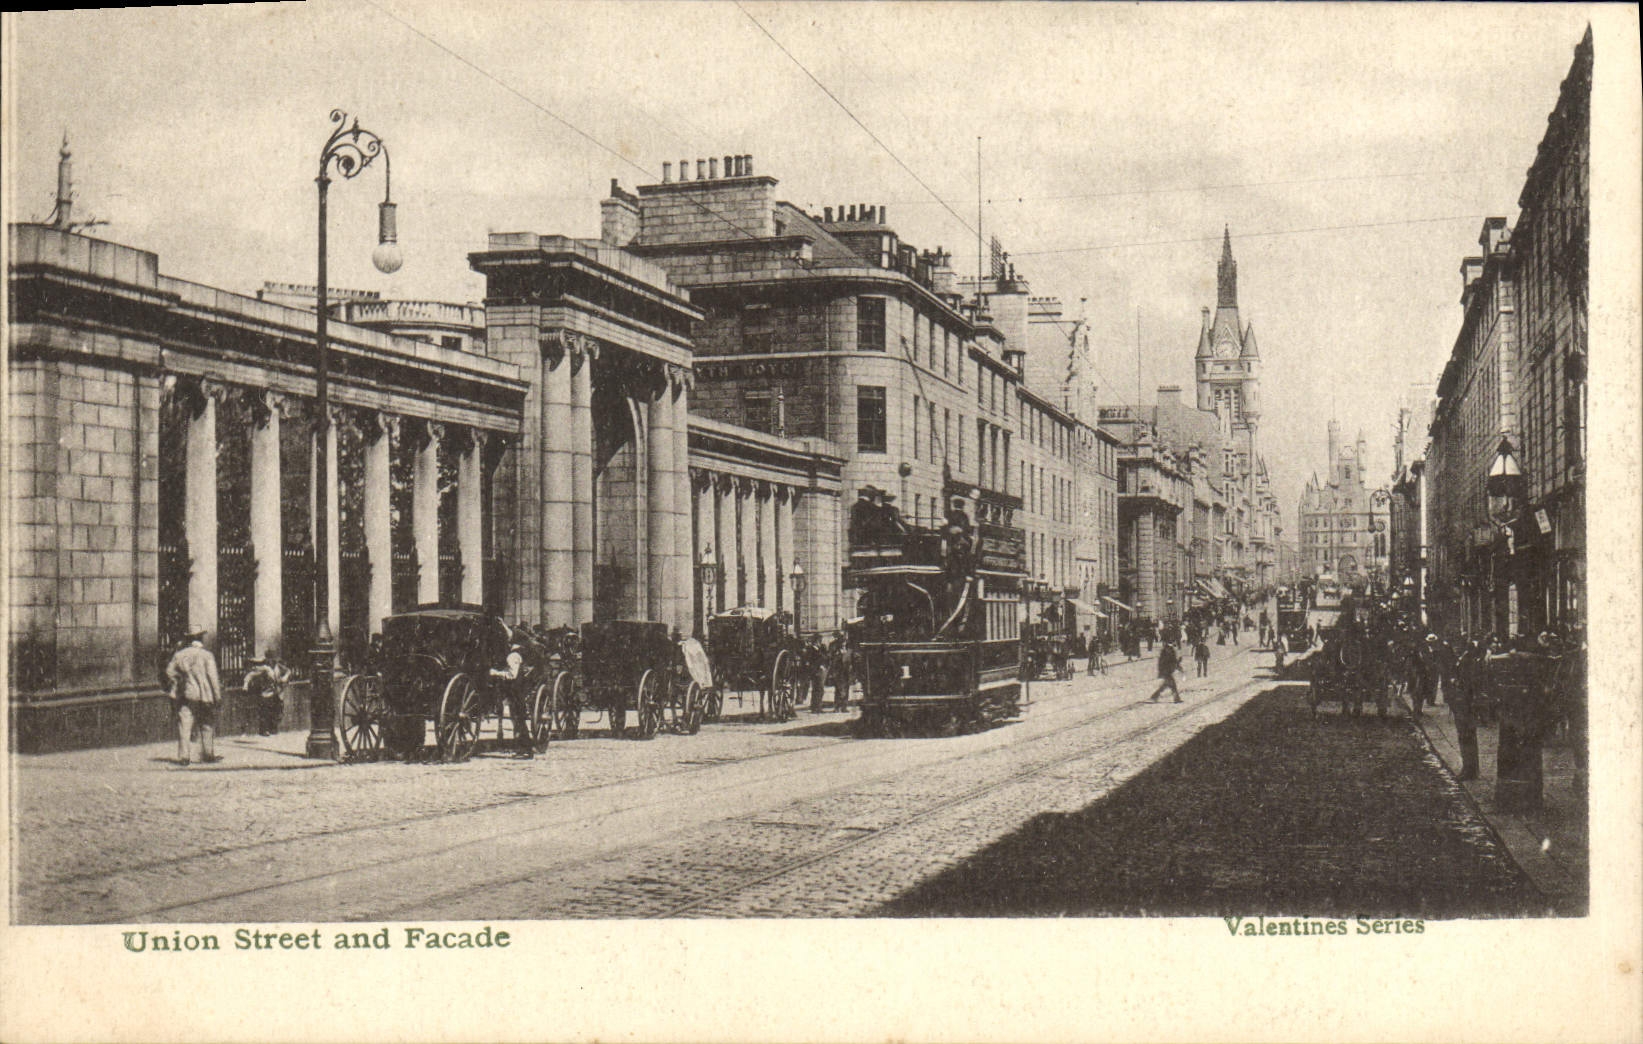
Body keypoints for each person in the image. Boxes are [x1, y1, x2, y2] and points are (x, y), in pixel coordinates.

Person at [166, 626, 223, 766]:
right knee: (206, 724)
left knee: (185, 725)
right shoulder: (207, 655)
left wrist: (180, 680)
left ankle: (184, 757)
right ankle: (208, 754)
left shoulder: (179, 655)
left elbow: (169, 672)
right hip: (205, 695)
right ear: (200, 638)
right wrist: (217, 696)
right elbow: (213, 678)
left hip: (186, 694)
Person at [488, 625, 535, 758]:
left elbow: (511, 675)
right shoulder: (519, 653)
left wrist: (495, 673)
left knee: (519, 720)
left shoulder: (513, 655)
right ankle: (523, 749)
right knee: (518, 720)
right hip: (517, 692)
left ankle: (525, 750)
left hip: (515, 692)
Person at [242, 652, 291, 736]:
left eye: (274, 659)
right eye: (270, 659)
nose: (272, 661)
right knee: (265, 711)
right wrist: (245, 684)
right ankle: (264, 730)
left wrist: (285, 677)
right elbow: (250, 674)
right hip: (267, 692)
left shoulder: (278, 666)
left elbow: (288, 671)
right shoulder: (265, 668)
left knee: (277, 710)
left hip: (277, 692)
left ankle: (273, 728)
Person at [1149, 639, 1183, 703]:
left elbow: (1171, 661)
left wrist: (1178, 663)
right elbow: (1170, 661)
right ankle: (1176, 699)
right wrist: (1178, 664)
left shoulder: (1167, 650)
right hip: (1166, 671)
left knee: (1166, 685)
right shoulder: (1168, 651)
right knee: (1172, 685)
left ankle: (1154, 696)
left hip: (1166, 671)